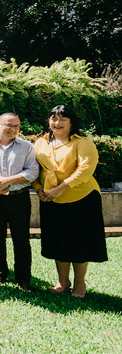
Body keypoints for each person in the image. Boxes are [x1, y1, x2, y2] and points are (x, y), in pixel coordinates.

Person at [33, 105, 107, 298]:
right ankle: (62, 282)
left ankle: (80, 284)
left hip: (81, 198)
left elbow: (85, 170)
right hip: (50, 199)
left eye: (62, 119)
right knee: (58, 241)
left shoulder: (83, 142)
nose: (57, 123)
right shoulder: (40, 142)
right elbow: (32, 169)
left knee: (80, 242)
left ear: (72, 122)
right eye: (53, 119)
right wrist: (38, 189)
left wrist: (59, 189)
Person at [0, 113, 40, 290]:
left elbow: (32, 171)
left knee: (21, 239)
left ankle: (23, 278)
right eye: (9, 125)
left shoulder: (26, 146)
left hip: (18, 198)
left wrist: (8, 181)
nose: (13, 129)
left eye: (17, 126)